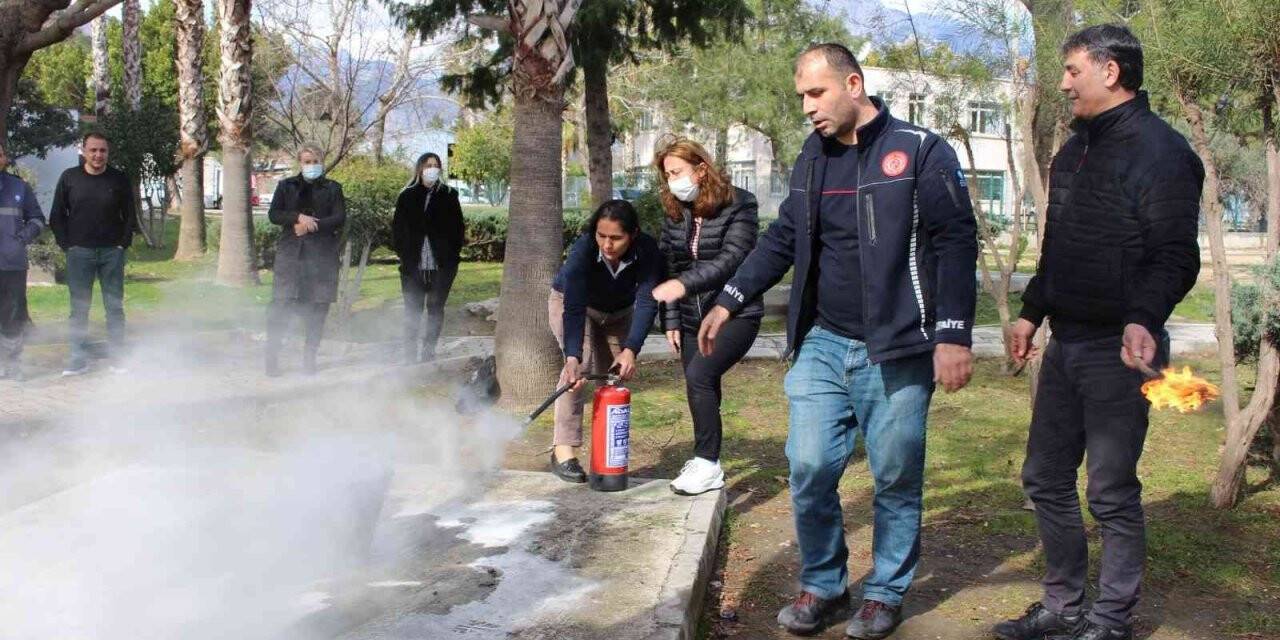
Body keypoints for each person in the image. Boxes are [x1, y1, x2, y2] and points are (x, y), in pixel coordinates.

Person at [698, 44, 978, 639]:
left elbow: (956, 242)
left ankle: (885, 593)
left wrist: (953, 334)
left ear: (853, 84)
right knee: (807, 465)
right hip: (824, 339)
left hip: (900, 346)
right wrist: (730, 297)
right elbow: (783, 238)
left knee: (897, 475)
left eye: (816, 93)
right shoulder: (813, 156)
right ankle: (824, 584)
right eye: (801, 95)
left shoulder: (921, 151)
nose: (807, 107)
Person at [995, 25, 1203, 640]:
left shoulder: (1163, 153)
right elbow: (1058, 247)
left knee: (1110, 490)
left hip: (1122, 349)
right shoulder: (1073, 152)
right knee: (1044, 477)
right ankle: (1063, 609)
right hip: (1067, 344)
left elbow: (1175, 256)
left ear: (1110, 72)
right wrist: (1032, 312)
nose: (1063, 82)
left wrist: (1143, 316)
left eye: (1072, 70)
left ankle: (1110, 621)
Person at [650, 138, 761, 496]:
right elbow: (669, 265)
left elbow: (731, 259)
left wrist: (682, 285)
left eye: (678, 172)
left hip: (734, 312)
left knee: (700, 375)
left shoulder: (740, 204)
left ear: (701, 168)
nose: (672, 182)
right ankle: (706, 459)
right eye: (667, 175)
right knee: (700, 385)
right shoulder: (674, 210)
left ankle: (707, 463)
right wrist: (670, 318)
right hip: (688, 316)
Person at [547, 199, 662, 483]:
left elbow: (648, 300)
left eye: (616, 238)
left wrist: (631, 350)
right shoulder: (584, 250)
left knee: (614, 379)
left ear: (632, 235)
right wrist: (571, 356)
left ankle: (606, 456)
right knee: (578, 370)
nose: (607, 245)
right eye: (602, 236)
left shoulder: (647, 250)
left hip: (618, 312)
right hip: (575, 306)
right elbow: (573, 305)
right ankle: (563, 451)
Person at [49, 132, 137, 376]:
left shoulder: (118, 179)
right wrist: (67, 244)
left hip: (112, 252)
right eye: (93, 150)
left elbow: (130, 214)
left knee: (114, 307)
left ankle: (118, 358)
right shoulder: (70, 178)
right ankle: (78, 359)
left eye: (103, 151)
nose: (98, 155)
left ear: (108, 153)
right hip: (79, 253)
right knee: (79, 308)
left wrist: (122, 244)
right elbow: (57, 215)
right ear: (84, 151)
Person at [265, 145, 347, 376]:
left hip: (322, 258)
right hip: (291, 257)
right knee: (281, 305)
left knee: (318, 308)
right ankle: (272, 357)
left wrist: (312, 226)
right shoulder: (286, 186)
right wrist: (297, 217)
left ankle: (309, 357)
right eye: (307, 161)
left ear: (322, 161)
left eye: (315, 161)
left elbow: (339, 217)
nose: (311, 165)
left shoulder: (333, 188)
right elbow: (274, 214)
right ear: (300, 163)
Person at [392, 152, 465, 363]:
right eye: (428, 165)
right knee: (412, 310)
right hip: (413, 264)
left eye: (435, 165)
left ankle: (428, 352)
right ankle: (409, 355)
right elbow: (397, 229)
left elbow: (458, 228)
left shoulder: (449, 195)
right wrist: (404, 254)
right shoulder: (406, 195)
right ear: (420, 169)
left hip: (442, 264)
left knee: (435, 308)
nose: (432, 169)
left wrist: (452, 252)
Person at [0, 144, 46, 381]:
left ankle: (12, 363)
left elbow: (38, 220)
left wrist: (21, 239)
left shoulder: (20, 187)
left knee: (13, 315)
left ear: (4, 158)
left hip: (12, 263)